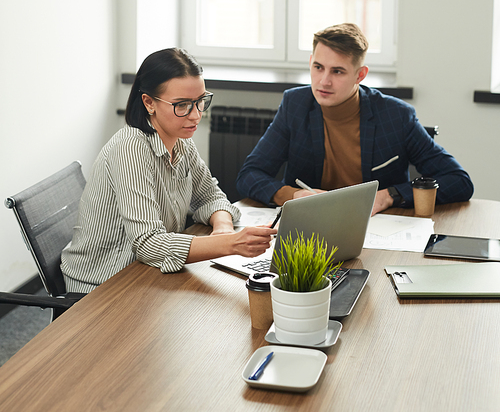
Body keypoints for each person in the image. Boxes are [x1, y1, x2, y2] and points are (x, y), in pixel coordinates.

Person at [62, 48, 276, 292]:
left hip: (147, 272)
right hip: (104, 284)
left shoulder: (181, 140)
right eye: (182, 105)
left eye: (200, 102)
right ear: (149, 103)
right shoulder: (130, 147)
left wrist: (223, 229)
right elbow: (148, 243)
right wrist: (230, 244)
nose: (196, 115)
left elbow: (210, 196)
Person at [236, 23, 473, 214]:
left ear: (360, 75)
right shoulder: (295, 105)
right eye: (318, 67)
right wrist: (293, 195)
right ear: (310, 62)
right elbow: (249, 175)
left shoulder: (396, 116)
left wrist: (389, 196)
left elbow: (458, 180)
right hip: (311, 226)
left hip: (378, 231)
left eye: (337, 71)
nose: (324, 81)